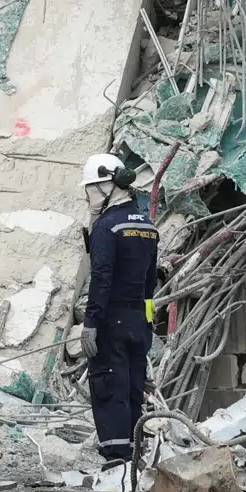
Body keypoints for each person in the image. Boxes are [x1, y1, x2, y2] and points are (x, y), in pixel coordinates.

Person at [79, 153, 159, 469]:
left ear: (107, 186)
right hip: (139, 321)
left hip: (111, 321)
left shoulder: (107, 228)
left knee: (109, 386)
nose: (88, 196)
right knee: (132, 387)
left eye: (91, 189)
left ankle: (117, 464)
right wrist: (147, 324)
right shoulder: (147, 227)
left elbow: (101, 277)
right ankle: (134, 459)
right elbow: (150, 283)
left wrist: (90, 322)